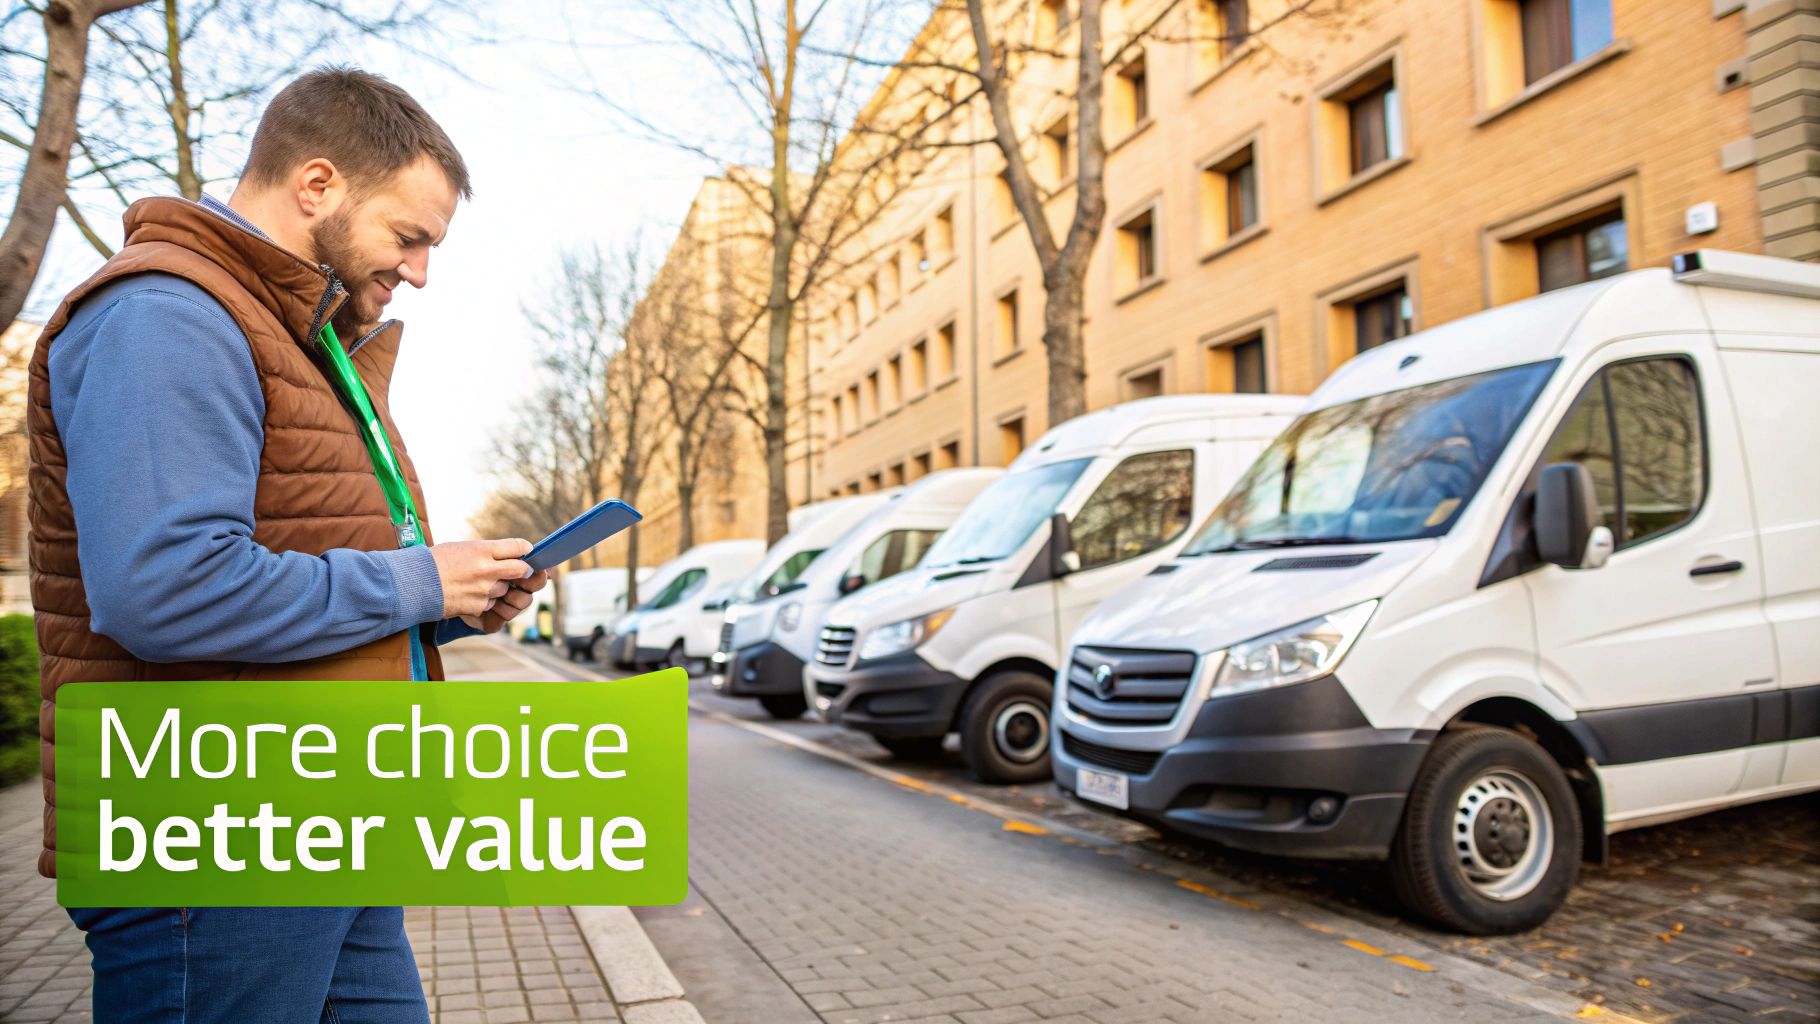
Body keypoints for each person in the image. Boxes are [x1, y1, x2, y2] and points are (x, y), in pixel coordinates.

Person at [25, 66, 546, 1022]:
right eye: (411, 236)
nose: (420, 272)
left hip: (309, 815)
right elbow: (166, 590)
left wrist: (447, 604)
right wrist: (417, 580)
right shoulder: (167, 316)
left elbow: (302, 565)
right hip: (208, 834)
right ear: (318, 186)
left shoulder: (285, 333)